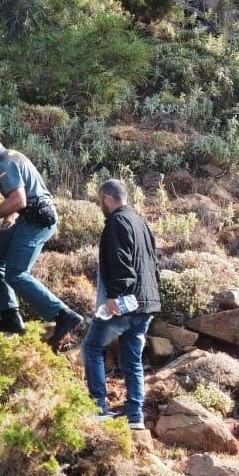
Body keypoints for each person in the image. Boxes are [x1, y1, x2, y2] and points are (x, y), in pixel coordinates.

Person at [0, 122, 86, 349]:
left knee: (16, 273)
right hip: (27, 217)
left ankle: (63, 315)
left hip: (36, 220)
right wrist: (8, 220)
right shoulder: (10, 157)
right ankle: (11, 318)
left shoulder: (4, 163)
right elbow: (22, 197)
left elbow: (19, 200)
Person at [83, 179, 161, 431]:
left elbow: (120, 262)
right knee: (132, 359)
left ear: (107, 198)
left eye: (99, 200)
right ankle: (135, 416)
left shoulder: (116, 223)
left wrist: (114, 295)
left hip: (125, 302)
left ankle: (98, 407)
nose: (99, 205)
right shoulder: (141, 222)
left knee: (92, 346)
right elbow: (153, 264)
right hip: (147, 303)